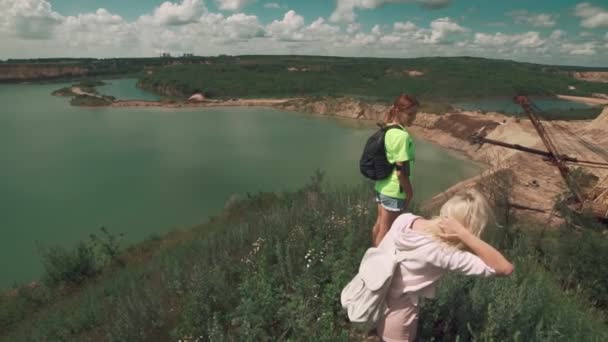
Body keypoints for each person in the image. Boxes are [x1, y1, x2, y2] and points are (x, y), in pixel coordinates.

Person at [376, 189, 514, 342]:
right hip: (399, 318)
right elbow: (505, 268)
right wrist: (464, 234)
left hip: (376, 299)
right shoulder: (444, 252)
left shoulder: (406, 220)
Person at [372, 94, 419, 247]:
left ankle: (372, 252)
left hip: (381, 186)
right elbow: (400, 171)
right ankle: (377, 265)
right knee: (386, 232)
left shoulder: (387, 129)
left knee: (379, 226)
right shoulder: (401, 136)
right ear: (398, 111)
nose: (413, 118)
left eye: (415, 114)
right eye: (410, 114)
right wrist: (409, 193)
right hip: (394, 191)